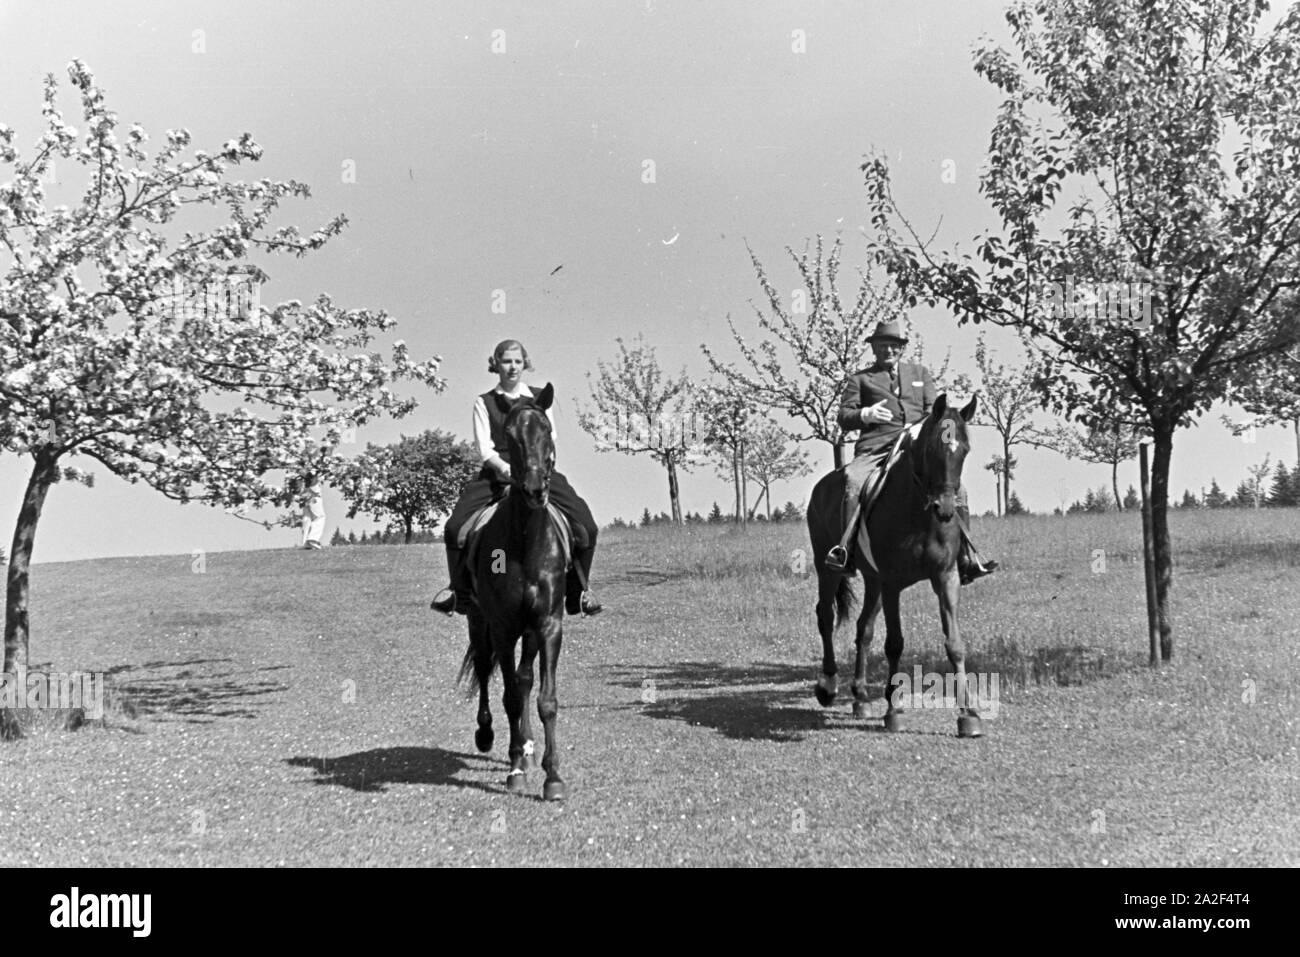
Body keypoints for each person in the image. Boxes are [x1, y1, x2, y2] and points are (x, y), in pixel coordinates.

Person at [431, 339, 602, 616]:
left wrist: (535, 470)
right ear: (496, 364)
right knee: (454, 529)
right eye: (507, 361)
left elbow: (550, 439)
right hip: (498, 474)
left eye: (518, 361)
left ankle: (577, 593)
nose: (512, 367)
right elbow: (485, 449)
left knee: (587, 528)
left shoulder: (539, 398)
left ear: (525, 364)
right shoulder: (484, 402)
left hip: (537, 471)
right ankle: (458, 593)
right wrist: (509, 471)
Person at [825, 319, 996, 583]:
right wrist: (865, 414)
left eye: (893, 346)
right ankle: (845, 550)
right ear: (874, 349)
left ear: (901, 349)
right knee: (852, 482)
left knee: (958, 489)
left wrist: (940, 436)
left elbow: (936, 414)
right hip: (876, 449)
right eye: (883, 346)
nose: (889, 351)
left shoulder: (921, 375)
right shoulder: (859, 380)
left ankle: (966, 557)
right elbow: (844, 416)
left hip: (915, 448)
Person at [299, 474, 326, 550]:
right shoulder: (313, 468)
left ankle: (305, 543)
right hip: (313, 493)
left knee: (307, 518)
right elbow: (313, 475)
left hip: (304, 492)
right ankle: (313, 539)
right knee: (319, 517)